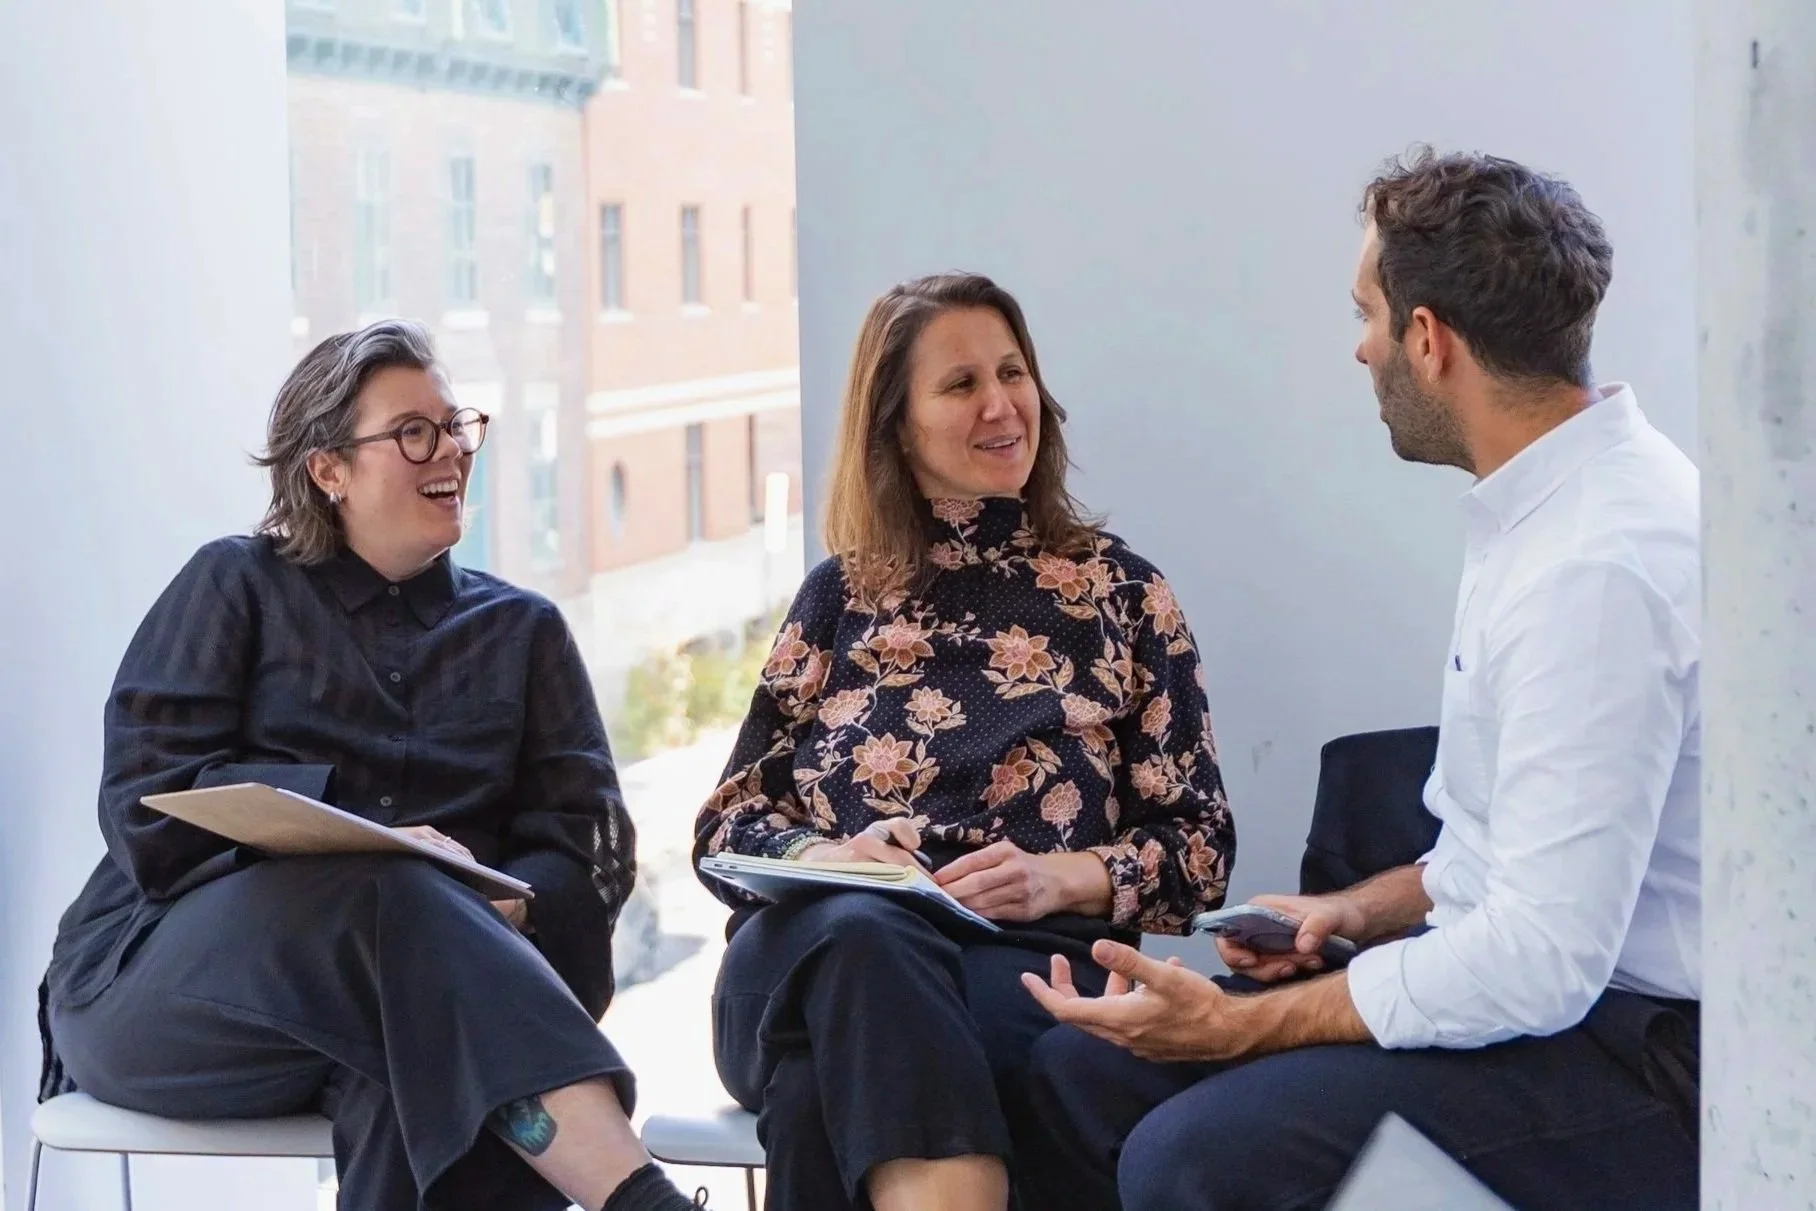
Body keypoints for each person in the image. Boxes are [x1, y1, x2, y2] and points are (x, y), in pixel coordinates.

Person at [1017, 148, 1702, 1211]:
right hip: (1557, 1000)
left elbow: (1537, 960)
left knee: (1194, 1159)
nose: (1360, 346)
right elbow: (1492, 857)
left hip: (1641, 1056)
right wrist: (1345, 910)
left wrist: (1238, 1023)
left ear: (1428, 339)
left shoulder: (1597, 565)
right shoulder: (1542, 509)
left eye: (1367, 314)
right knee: (1081, 1071)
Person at [39, 320, 705, 1211]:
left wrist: (502, 908)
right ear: (329, 470)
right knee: (395, 897)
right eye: (413, 432)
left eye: (456, 426)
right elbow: (147, 804)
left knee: (424, 1068)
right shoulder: (235, 583)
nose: (451, 451)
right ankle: (642, 1200)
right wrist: (359, 844)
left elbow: (585, 855)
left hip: (412, 1005)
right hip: (163, 996)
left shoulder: (524, 632)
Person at [693, 272, 1237, 1211]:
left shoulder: (1122, 594)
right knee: (865, 932)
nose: (1000, 404)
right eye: (960, 384)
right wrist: (831, 859)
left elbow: (1201, 847)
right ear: (896, 426)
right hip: (805, 960)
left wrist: (1057, 878)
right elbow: (726, 825)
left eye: (1012, 372)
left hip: (1014, 968)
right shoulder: (837, 596)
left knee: (818, 1086)